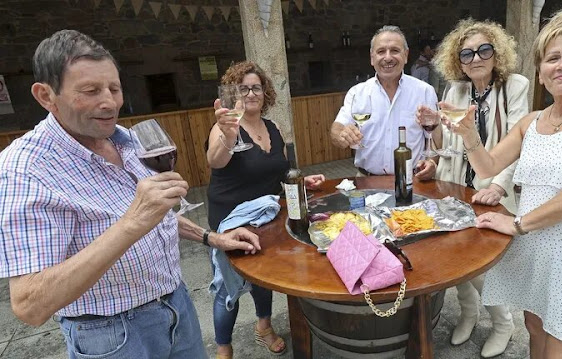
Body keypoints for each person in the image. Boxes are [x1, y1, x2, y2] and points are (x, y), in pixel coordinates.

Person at [0, 30, 261, 359]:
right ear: (46, 96)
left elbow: (157, 213)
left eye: (114, 88)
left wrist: (211, 237)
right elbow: (29, 305)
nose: (109, 101)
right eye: (91, 91)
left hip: (176, 303)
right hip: (110, 334)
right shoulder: (24, 170)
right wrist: (132, 221)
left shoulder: (126, 138)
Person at [448, 8, 562, 359]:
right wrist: (469, 135)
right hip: (536, 251)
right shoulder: (532, 121)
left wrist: (515, 223)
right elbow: (488, 165)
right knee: (535, 334)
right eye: (553, 58)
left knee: (561, 348)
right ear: (541, 72)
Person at [417, 19, 530, 357]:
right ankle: (467, 315)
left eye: (484, 50)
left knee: (482, 266)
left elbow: (517, 143)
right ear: (458, 60)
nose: (475, 59)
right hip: (456, 188)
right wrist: (433, 126)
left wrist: (497, 186)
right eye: (466, 54)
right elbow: (445, 143)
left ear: (497, 53)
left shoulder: (515, 87)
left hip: (489, 189)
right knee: (457, 259)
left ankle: (502, 324)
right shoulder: (456, 90)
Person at [206, 60, 324, 359]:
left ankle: (264, 326)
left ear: (264, 92)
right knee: (227, 287)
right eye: (243, 88)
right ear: (234, 94)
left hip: (264, 217)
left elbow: (281, 172)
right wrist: (228, 135)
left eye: (256, 87)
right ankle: (224, 348)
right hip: (230, 219)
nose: (250, 93)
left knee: (264, 275)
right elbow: (215, 161)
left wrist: (301, 182)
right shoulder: (225, 127)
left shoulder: (272, 127)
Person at [331, 25, 438, 180]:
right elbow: (337, 128)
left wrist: (432, 163)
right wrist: (342, 135)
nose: (388, 57)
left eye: (395, 50)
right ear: (372, 57)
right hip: (366, 182)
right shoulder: (357, 93)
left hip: (413, 181)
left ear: (406, 55)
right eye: (381, 51)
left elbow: (434, 139)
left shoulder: (425, 91)